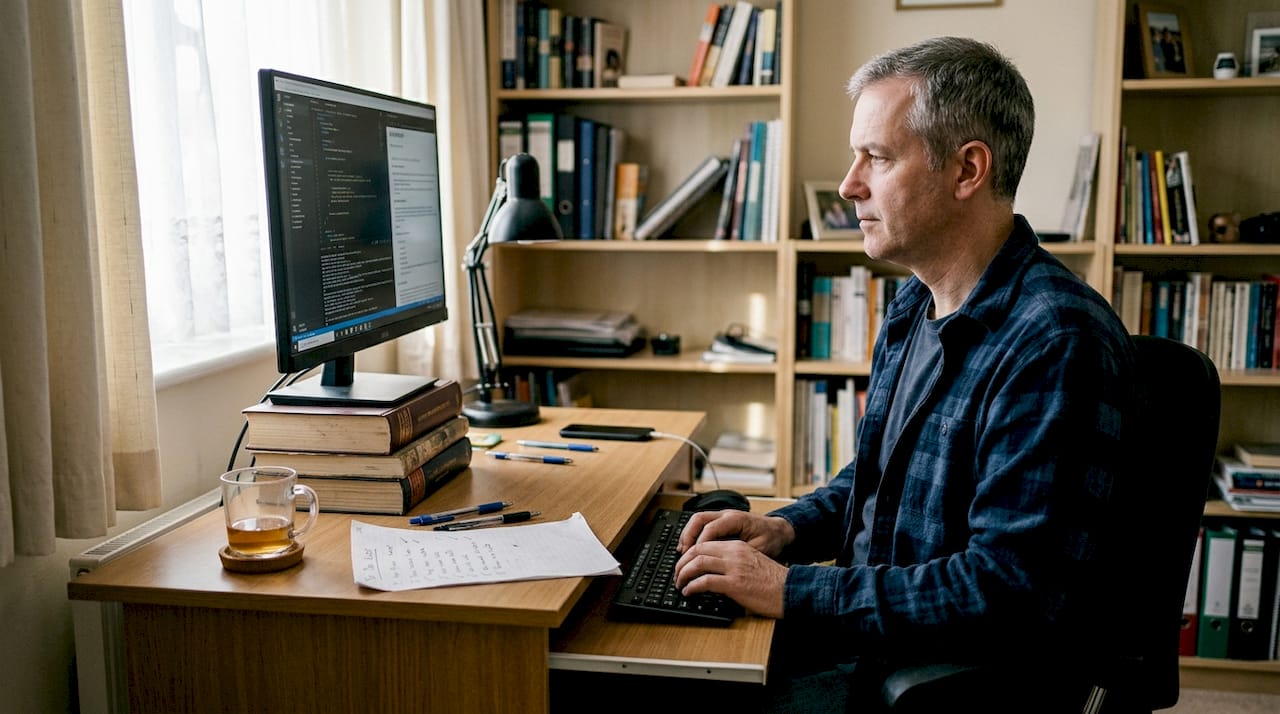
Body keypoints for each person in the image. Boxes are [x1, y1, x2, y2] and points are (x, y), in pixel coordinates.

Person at [674, 36, 1137, 712]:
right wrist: (788, 530)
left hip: (937, 680)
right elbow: (873, 484)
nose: (848, 183)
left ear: (967, 170)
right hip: (870, 633)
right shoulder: (915, 302)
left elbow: (1005, 587)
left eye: (878, 157)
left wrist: (787, 590)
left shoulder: (1055, 339)